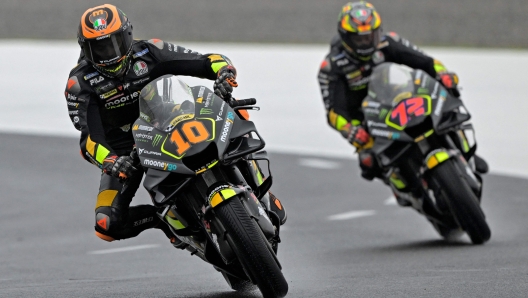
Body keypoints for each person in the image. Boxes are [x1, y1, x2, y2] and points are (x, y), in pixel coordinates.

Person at [64, 4, 285, 246]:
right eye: (99, 48)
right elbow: (89, 140)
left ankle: (258, 190)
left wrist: (224, 73)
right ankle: (165, 221)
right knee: (107, 223)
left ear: (127, 35)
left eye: (114, 43)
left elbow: (206, 60)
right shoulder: (79, 83)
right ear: (85, 48)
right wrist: (111, 161)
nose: (109, 55)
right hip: (127, 152)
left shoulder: (151, 50)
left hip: (170, 121)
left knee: (234, 110)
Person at [317, 1, 488, 185]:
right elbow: (333, 112)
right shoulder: (332, 66)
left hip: (398, 100)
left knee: (442, 104)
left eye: (370, 36)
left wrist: (443, 74)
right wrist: (350, 129)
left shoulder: (388, 41)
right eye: (360, 39)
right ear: (346, 37)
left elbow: (426, 61)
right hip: (366, 120)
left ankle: (460, 149)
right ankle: (404, 188)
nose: (366, 43)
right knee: (369, 163)